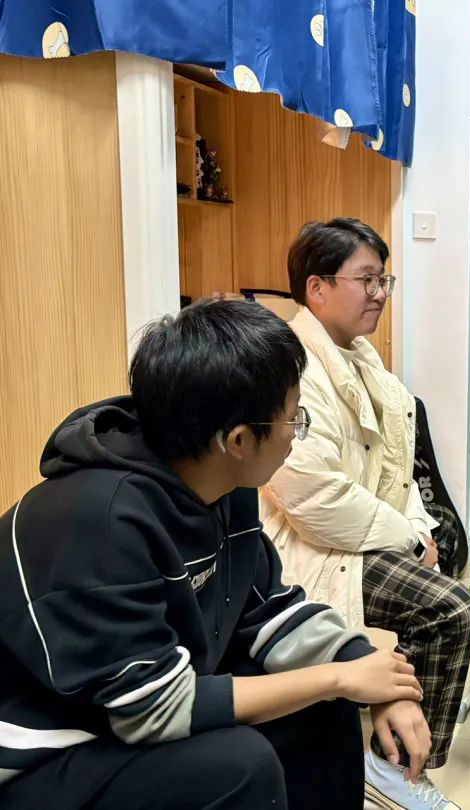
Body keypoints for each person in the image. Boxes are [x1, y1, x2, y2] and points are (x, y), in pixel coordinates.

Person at [0, 300, 427, 809]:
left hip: (124, 711)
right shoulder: (99, 521)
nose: (298, 433)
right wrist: (335, 676)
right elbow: (149, 709)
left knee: (322, 708)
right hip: (41, 751)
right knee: (241, 764)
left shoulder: (224, 487)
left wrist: (368, 672)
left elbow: (269, 608)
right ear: (240, 440)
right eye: (294, 419)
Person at [260, 219, 470, 810]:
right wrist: (407, 538)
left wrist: (421, 529)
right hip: (309, 545)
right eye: (367, 280)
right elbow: (312, 496)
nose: (380, 294)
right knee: (449, 609)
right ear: (317, 287)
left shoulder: (362, 360)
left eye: (385, 280)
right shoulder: (291, 367)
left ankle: (396, 745)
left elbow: (398, 469)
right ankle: (395, 770)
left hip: (359, 533)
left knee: (443, 570)